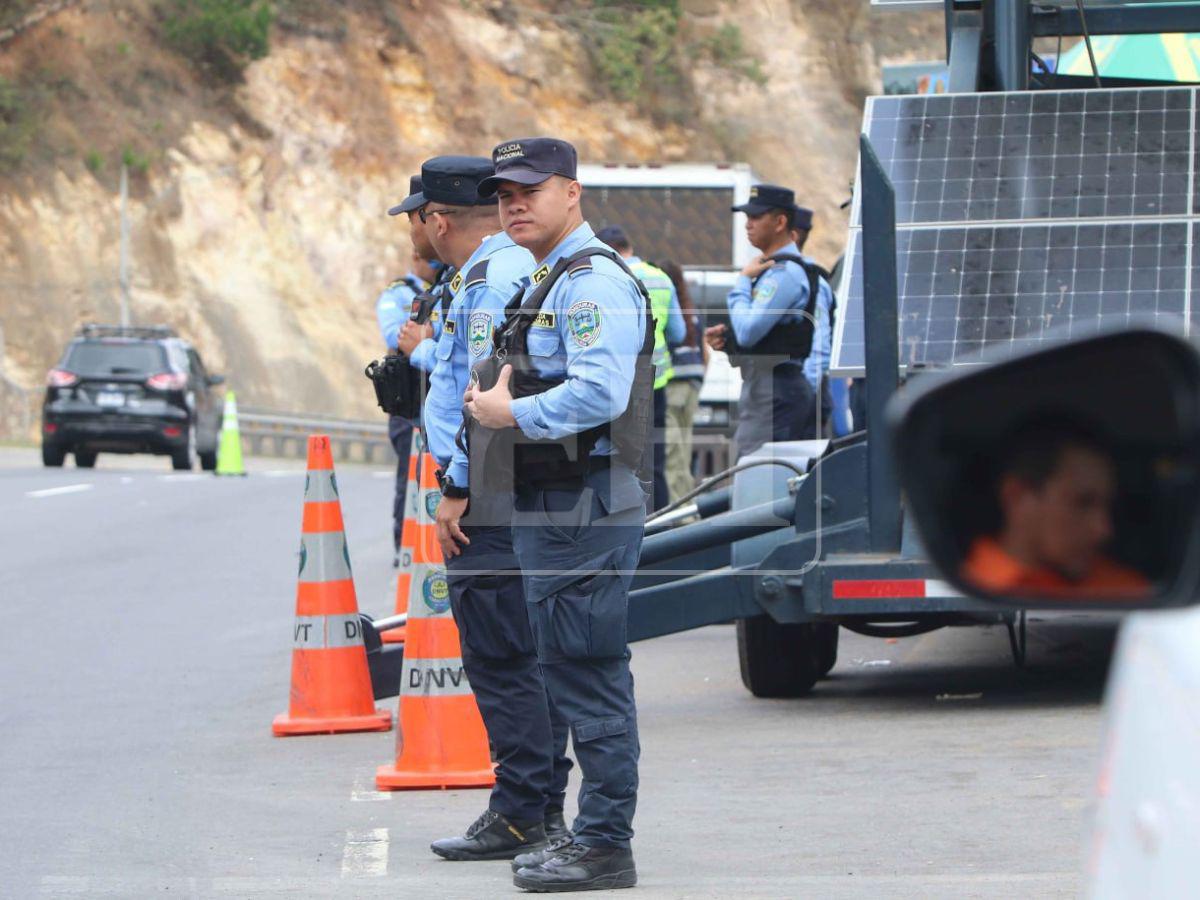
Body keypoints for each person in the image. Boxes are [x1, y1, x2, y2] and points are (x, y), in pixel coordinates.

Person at [465, 136, 648, 892]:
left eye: (529, 190)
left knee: (587, 673)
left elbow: (601, 395)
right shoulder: (552, 276)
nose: (513, 203)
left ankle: (605, 843)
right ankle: (587, 835)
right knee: (567, 670)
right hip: (557, 504)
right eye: (504, 192)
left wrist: (510, 414)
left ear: (571, 192)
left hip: (584, 505)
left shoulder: (590, 281)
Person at [414, 156, 572, 863]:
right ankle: (536, 808)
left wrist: (456, 485)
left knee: (503, 655)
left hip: (492, 491)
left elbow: (481, 390)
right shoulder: (523, 267)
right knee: (528, 653)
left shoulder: (487, 279)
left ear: (437, 220)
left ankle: (522, 813)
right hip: (522, 484)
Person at [704, 184, 832, 458]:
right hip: (769, 387)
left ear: (780, 222)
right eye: (747, 217)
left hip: (776, 390)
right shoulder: (773, 269)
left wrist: (741, 282)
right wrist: (729, 340)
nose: (748, 224)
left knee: (755, 474)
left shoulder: (785, 274)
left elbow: (750, 330)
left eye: (756, 217)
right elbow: (764, 337)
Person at [960, 418, 1149, 598]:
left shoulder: (1125, 590)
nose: (1103, 530)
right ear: (1018, 497)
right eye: (1082, 503)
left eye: (1108, 506)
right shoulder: (964, 587)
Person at [595, 225, 683, 511]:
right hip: (656, 381)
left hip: (619, 384)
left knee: (620, 458)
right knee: (654, 458)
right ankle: (661, 523)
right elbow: (678, 333)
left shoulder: (606, 277)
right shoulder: (661, 278)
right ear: (629, 246)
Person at [378, 175, 437, 562]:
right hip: (410, 395)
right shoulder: (400, 294)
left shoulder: (451, 288)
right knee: (409, 474)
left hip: (437, 392)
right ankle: (405, 545)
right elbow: (397, 336)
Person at [658, 259, 706, 504]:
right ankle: (687, 509)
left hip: (674, 382)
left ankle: (679, 518)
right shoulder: (691, 310)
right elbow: (704, 353)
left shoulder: (666, 304)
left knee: (670, 456)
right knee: (683, 454)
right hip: (693, 383)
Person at [788, 218, 839, 438]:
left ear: (792, 236)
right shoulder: (787, 275)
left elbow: (819, 345)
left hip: (804, 396)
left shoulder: (808, 280)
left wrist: (803, 393)